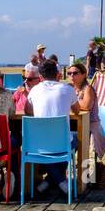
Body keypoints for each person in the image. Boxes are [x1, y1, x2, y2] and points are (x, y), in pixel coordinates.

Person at [25, 60, 79, 195]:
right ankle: (60, 180)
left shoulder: (34, 90)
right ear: (58, 74)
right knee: (75, 139)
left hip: (37, 146)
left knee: (49, 146)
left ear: (41, 77)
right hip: (62, 144)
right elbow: (77, 111)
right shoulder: (67, 89)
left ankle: (50, 180)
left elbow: (27, 111)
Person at [68, 61, 105, 161]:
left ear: (84, 74)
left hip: (89, 124)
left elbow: (86, 106)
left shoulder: (88, 89)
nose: (72, 75)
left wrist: (70, 103)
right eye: (69, 73)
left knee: (72, 137)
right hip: (75, 122)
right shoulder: (70, 88)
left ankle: (81, 166)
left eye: (75, 73)